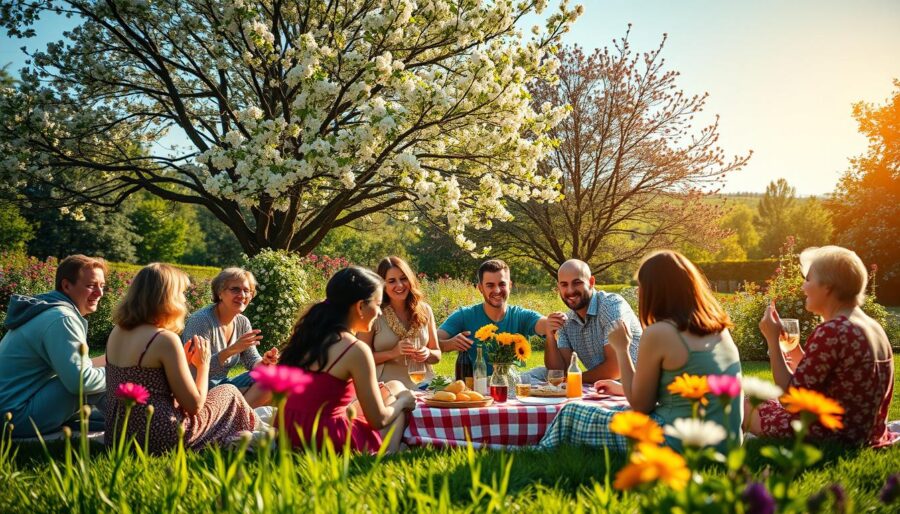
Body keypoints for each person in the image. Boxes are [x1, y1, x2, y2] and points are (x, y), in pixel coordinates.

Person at [540, 250, 742, 453]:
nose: (638, 293)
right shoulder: (720, 329)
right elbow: (665, 391)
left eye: (641, 286)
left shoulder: (660, 332)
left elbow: (641, 406)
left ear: (655, 291)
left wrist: (622, 348)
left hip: (674, 441)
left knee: (571, 413)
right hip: (727, 443)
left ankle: (537, 452)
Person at [747, 246, 895, 447]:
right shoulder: (871, 326)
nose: (803, 287)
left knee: (745, 403)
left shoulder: (834, 330)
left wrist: (772, 340)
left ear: (828, 287)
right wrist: (793, 348)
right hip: (865, 433)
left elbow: (791, 399)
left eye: (808, 280)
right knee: (762, 400)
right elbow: (824, 376)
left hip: (830, 436)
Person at [105, 263, 258, 454]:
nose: (183, 300)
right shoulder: (164, 339)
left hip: (118, 435)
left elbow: (149, 382)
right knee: (229, 391)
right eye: (181, 294)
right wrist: (202, 365)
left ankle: (252, 427)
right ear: (166, 297)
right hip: (160, 436)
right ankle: (251, 433)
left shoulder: (117, 332)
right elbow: (194, 406)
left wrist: (183, 361)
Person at [280, 266, 417, 454]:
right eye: (377, 305)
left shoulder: (308, 336)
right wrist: (403, 401)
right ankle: (387, 455)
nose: (379, 313)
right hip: (324, 439)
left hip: (290, 431)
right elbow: (379, 420)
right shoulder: (355, 350)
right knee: (398, 407)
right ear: (360, 306)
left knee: (393, 386)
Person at [0, 255, 108, 438]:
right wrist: (119, 373)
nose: (100, 293)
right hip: (12, 418)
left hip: (10, 410)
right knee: (89, 381)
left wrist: (111, 362)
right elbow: (80, 382)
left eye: (102, 286)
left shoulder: (49, 310)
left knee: (97, 374)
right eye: (91, 286)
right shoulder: (62, 319)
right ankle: (137, 425)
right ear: (66, 286)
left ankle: (122, 420)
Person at [521, 259, 642, 383]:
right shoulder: (566, 321)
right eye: (564, 284)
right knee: (529, 377)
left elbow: (615, 369)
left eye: (577, 282)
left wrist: (573, 379)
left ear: (591, 282)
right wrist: (550, 336)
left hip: (637, 386)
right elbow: (559, 372)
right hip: (603, 388)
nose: (570, 290)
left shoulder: (611, 305)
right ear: (558, 287)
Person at [438, 259, 567, 374]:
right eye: (490, 285)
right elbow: (430, 342)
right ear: (480, 288)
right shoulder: (464, 315)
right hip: (475, 389)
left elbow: (543, 324)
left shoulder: (521, 316)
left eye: (502, 284)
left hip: (513, 389)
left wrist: (553, 320)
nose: (497, 290)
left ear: (510, 286)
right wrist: (448, 345)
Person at [181, 268, 278, 407]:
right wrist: (231, 350)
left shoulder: (242, 322)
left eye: (247, 290)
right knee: (264, 391)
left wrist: (266, 363)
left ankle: (234, 418)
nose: (242, 295)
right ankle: (233, 419)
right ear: (220, 292)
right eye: (235, 289)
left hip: (224, 385)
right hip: (198, 390)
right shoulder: (201, 321)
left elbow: (252, 360)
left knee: (272, 379)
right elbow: (193, 369)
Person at [359, 257, 442, 389]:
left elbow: (437, 355)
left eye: (404, 278)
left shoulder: (425, 310)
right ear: (382, 285)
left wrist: (428, 353)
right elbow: (360, 359)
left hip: (425, 386)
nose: (400, 285)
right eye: (392, 281)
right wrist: (392, 353)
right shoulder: (374, 313)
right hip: (386, 388)